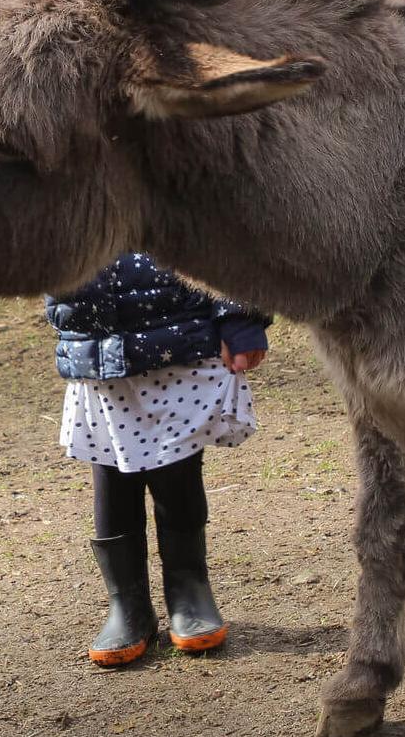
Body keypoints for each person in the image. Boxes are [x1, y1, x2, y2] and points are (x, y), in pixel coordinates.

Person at [46, 252, 271, 666]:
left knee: (177, 472)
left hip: (177, 340)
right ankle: (127, 604)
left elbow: (223, 233)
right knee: (112, 476)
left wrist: (241, 318)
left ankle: (189, 592)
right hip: (96, 346)